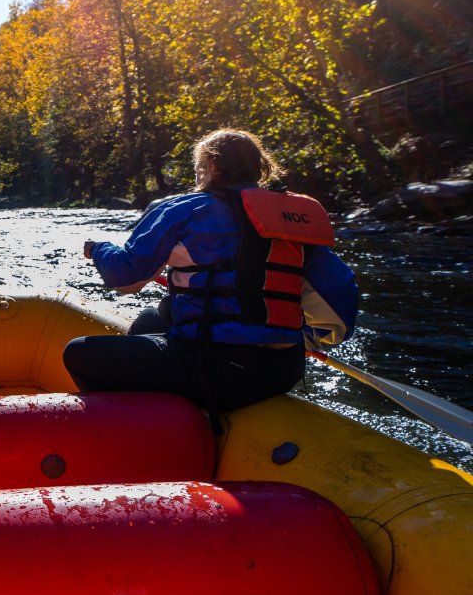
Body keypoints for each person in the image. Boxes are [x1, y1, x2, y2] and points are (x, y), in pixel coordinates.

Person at [63, 128, 358, 416]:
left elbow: (125, 278)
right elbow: (342, 296)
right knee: (153, 316)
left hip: (214, 371)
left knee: (78, 352)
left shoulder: (185, 209)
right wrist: (304, 335)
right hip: (283, 369)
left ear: (212, 165)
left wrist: (98, 249)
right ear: (259, 170)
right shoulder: (292, 220)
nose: (197, 174)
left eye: (198, 167)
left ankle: (143, 432)